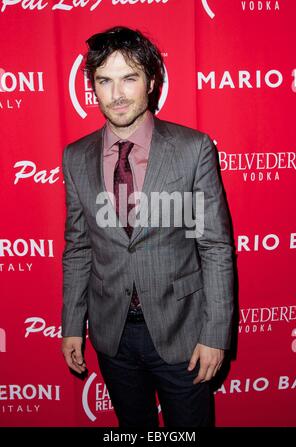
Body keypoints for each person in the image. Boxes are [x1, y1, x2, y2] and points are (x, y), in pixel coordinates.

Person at [61, 26, 234, 428]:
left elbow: (215, 248)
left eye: (129, 78)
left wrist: (215, 334)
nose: (117, 93)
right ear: (93, 88)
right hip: (112, 335)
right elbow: (78, 248)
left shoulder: (193, 148)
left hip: (183, 333)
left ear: (151, 82)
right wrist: (72, 324)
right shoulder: (75, 157)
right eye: (104, 80)